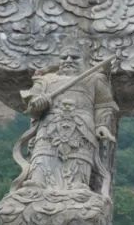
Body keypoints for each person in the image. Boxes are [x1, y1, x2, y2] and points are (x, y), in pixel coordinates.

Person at [12, 48, 118, 193]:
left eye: (74, 57)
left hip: (81, 125)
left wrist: (102, 125)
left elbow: (104, 105)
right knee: (44, 153)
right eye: (64, 57)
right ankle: (38, 180)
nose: (68, 60)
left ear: (86, 61)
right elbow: (31, 106)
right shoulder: (45, 80)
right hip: (51, 123)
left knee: (79, 154)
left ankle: (78, 183)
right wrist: (38, 103)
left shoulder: (95, 79)